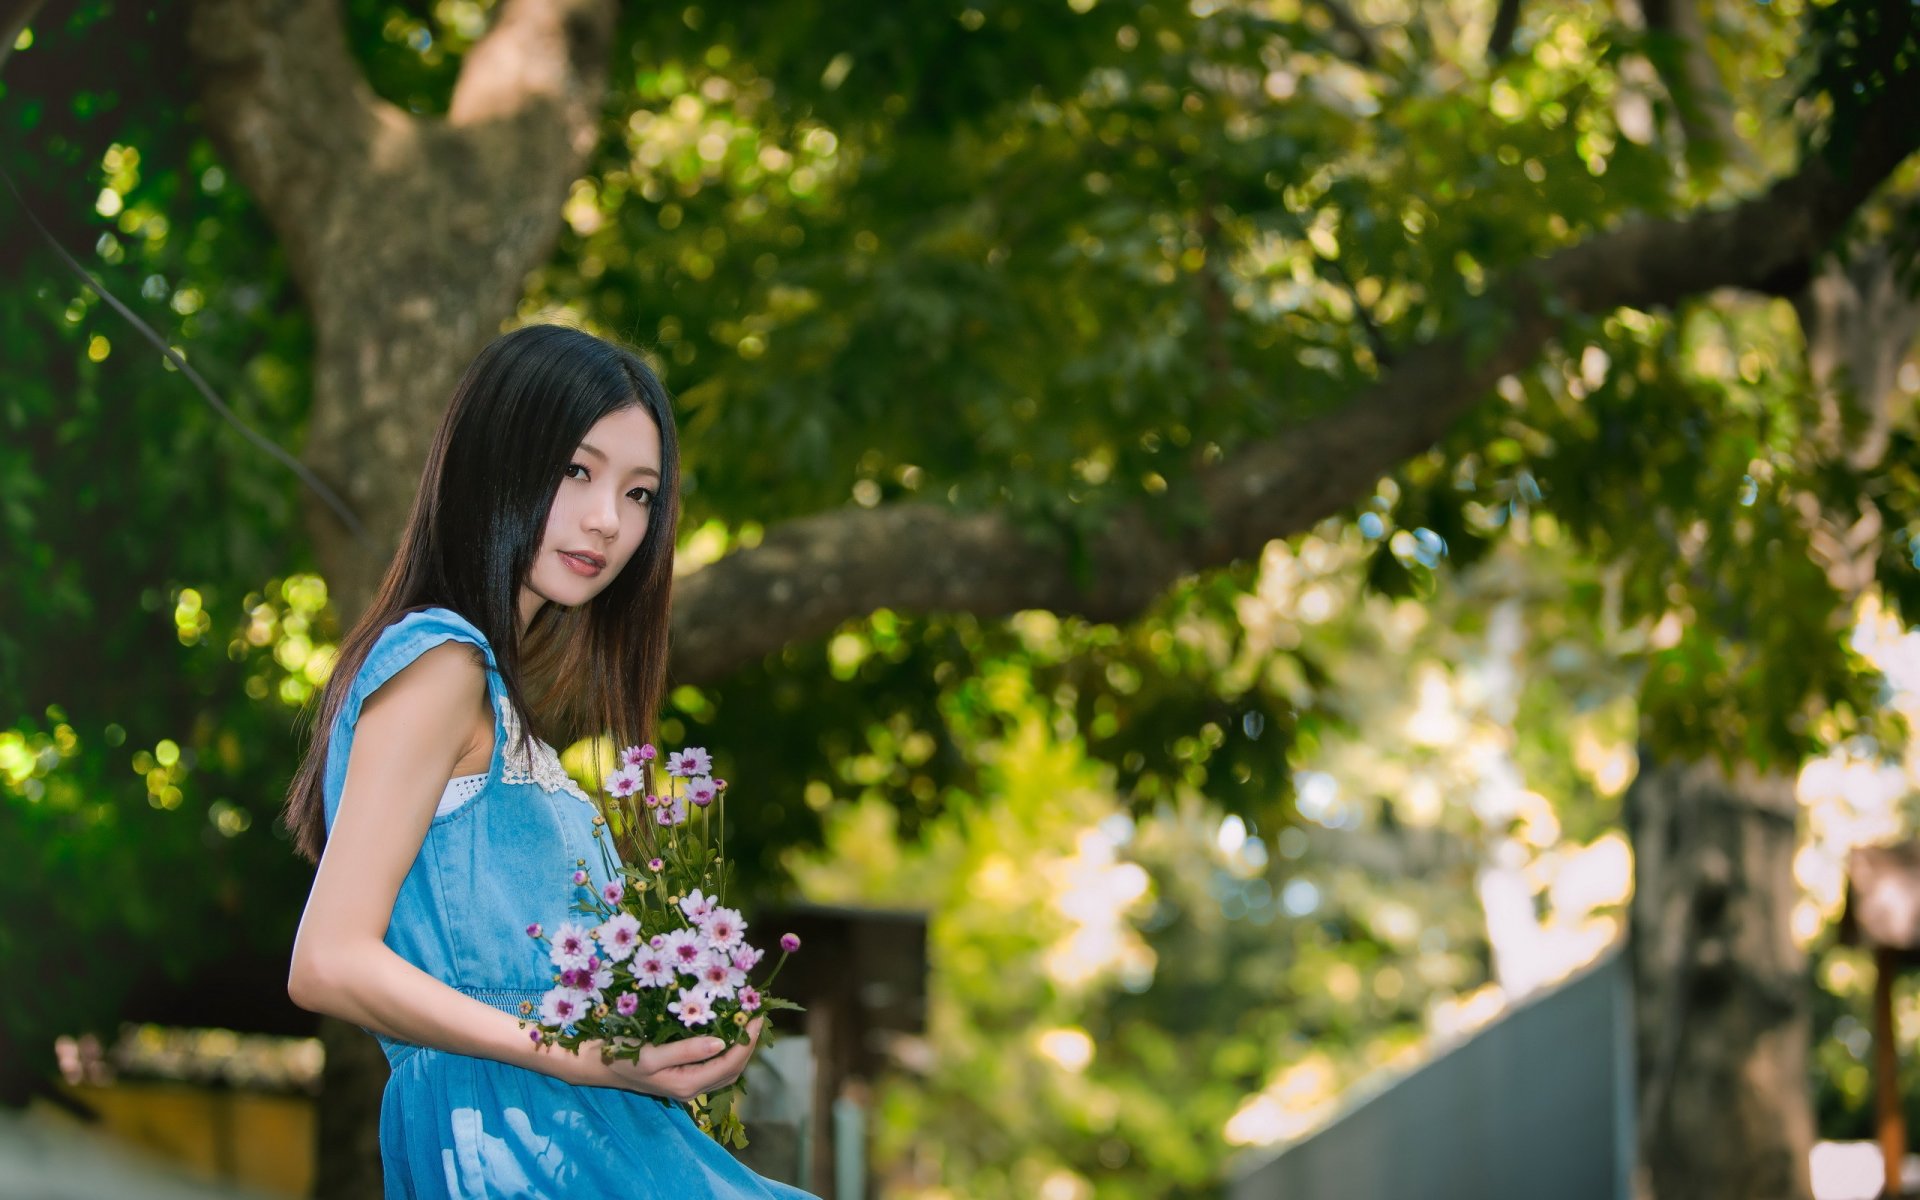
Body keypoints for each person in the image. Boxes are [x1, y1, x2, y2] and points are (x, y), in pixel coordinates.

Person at [280, 324, 816, 1197]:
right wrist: (587, 1057)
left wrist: (692, 1023)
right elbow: (329, 961)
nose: (609, 520)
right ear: (493, 461)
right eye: (577, 471)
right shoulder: (440, 663)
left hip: (578, 1137)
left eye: (640, 494)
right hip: (524, 1144)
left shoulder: (496, 698)